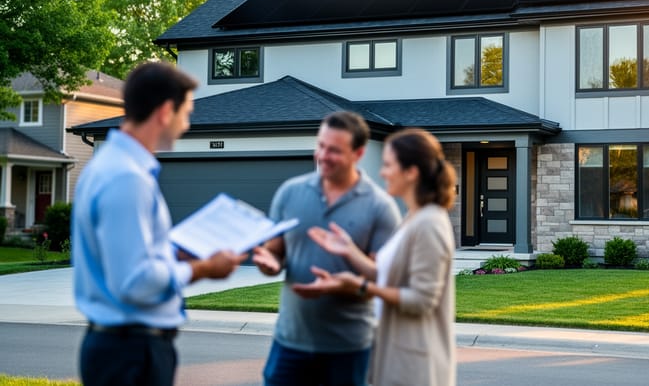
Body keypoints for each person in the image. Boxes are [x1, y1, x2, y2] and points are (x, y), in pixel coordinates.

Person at [72, 62, 245, 386]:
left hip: (121, 350)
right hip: (131, 355)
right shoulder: (127, 178)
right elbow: (135, 282)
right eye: (186, 113)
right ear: (166, 112)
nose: (186, 125)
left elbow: (128, 255)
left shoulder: (109, 166)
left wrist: (174, 252)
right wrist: (204, 268)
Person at [295, 127, 457, 386]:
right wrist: (350, 250)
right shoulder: (412, 218)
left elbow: (421, 300)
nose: (382, 173)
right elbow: (389, 276)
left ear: (411, 172)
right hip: (394, 355)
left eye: (388, 165)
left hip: (416, 367)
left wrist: (359, 286)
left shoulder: (429, 224)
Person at [253, 111, 402, 386]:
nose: (323, 155)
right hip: (290, 341)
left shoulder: (380, 207)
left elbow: (384, 276)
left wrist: (346, 281)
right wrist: (270, 262)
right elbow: (274, 250)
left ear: (358, 153)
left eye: (334, 150)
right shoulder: (290, 192)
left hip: (348, 348)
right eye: (320, 145)